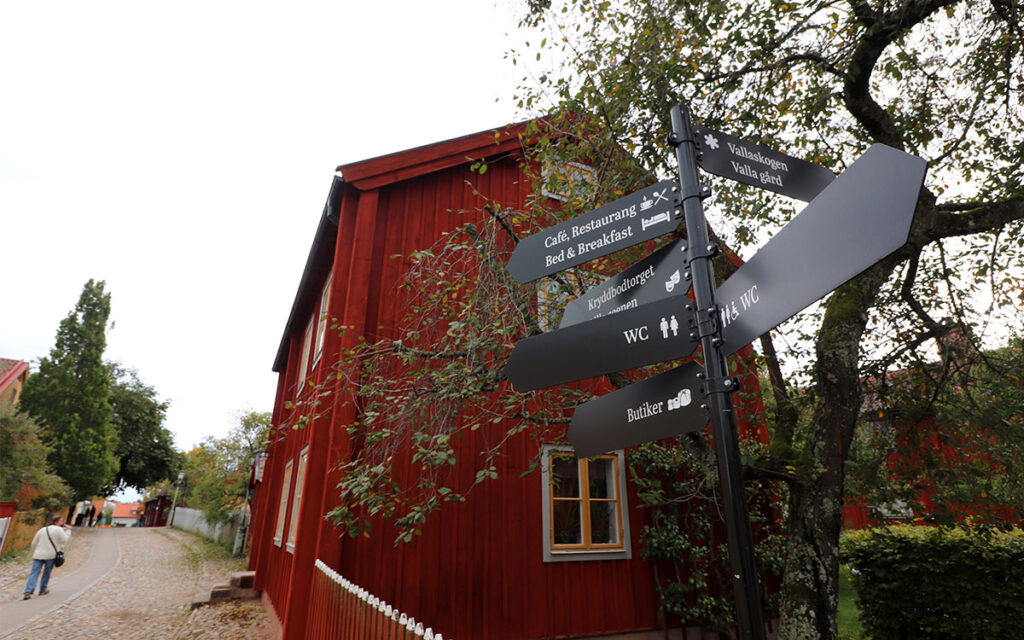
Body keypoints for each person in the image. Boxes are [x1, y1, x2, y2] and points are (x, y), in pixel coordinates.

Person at [23, 514, 71, 600]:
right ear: (56, 522)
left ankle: (28, 591)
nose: (62, 523)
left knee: (34, 573)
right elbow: (64, 540)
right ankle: (42, 589)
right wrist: (68, 531)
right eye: (61, 521)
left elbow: (34, 542)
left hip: (38, 554)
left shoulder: (42, 529)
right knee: (46, 572)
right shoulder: (59, 530)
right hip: (50, 555)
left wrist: (33, 552)